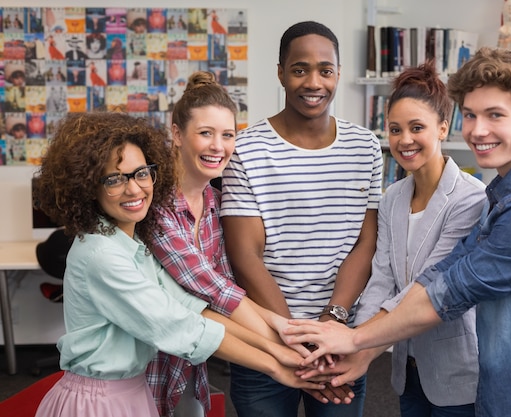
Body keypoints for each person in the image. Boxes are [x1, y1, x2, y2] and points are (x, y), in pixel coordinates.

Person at [284, 47, 511, 416]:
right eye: (472, 115)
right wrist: (359, 348)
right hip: (509, 391)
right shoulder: (503, 194)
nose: (478, 130)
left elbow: (447, 294)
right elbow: (439, 276)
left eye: (495, 115)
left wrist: (354, 338)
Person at [32, 112, 323, 417]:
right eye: (115, 179)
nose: (134, 189)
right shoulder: (101, 255)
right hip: (97, 401)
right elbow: (180, 327)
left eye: (141, 173)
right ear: (89, 186)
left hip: (130, 390)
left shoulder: (132, 245)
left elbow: (189, 305)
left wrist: (279, 350)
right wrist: (277, 366)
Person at [220, 20, 383, 417]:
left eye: (325, 70)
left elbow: (366, 242)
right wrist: (295, 337)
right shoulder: (246, 150)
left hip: (341, 339)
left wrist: (331, 323)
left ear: (338, 74)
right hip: (264, 337)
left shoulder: (366, 147)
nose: (314, 81)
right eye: (299, 69)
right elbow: (245, 256)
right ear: (280, 73)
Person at [146, 71, 313, 417]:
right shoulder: (154, 205)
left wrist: (285, 336)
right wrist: (287, 347)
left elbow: (227, 293)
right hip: (144, 364)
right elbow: (212, 290)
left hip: (191, 364)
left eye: (227, 135)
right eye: (205, 133)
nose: (218, 147)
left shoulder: (217, 203)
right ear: (176, 134)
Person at [354, 62, 485, 417]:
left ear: (443, 128)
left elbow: (429, 287)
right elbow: (381, 278)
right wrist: (355, 341)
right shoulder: (392, 197)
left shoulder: (471, 199)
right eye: (395, 129)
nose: (404, 140)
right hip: (406, 369)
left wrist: (357, 344)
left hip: (456, 371)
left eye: (417, 128)